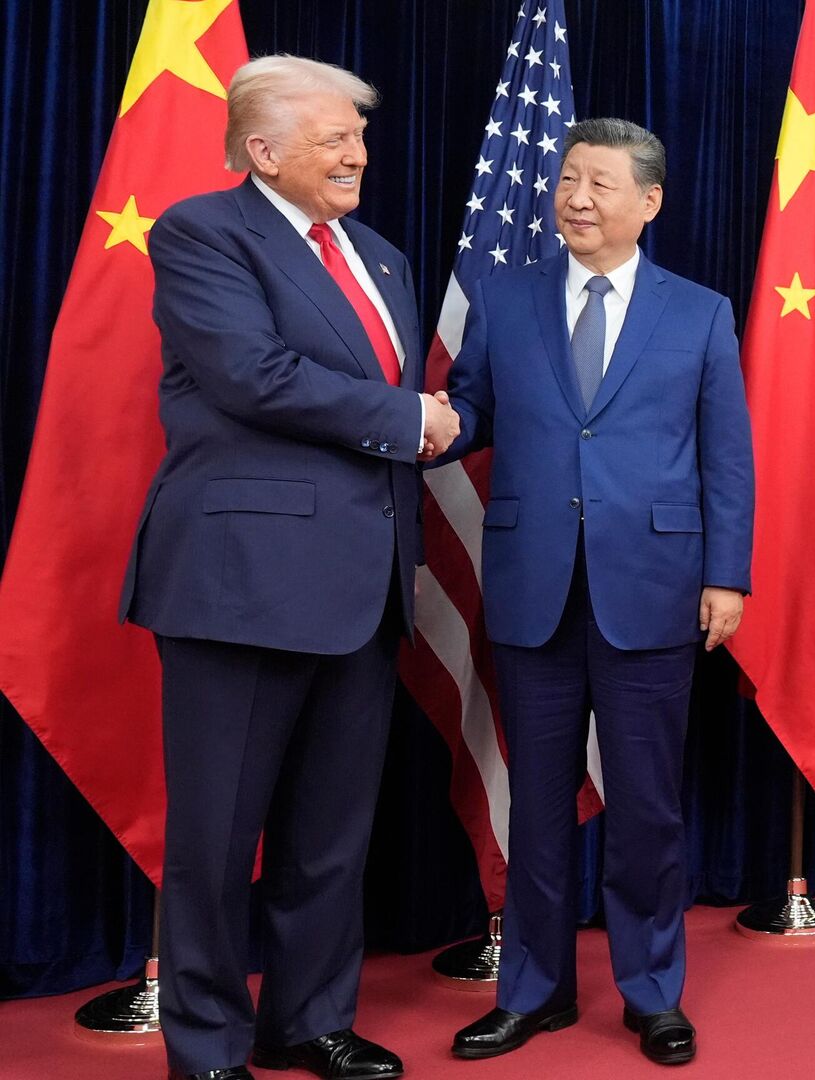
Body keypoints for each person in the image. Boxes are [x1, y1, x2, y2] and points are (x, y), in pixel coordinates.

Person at [123, 56, 455, 1080]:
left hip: (364, 589)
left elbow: (405, 397)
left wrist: (449, 421)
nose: (358, 152)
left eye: (359, 135)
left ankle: (308, 1020)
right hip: (243, 583)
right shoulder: (201, 234)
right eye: (335, 137)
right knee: (217, 842)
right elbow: (252, 374)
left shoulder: (386, 260)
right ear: (264, 150)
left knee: (329, 836)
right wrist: (410, 420)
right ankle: (208, 1045)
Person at [443, 118, 752, 1068]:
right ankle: (533, 994)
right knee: (534, 803)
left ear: (648, 202)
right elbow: (467, 413)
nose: (575, 197)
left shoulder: (699, 313)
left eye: (600, 184)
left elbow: (725, 458)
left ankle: (652, 992)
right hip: (533, 586)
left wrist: (725, 576)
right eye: (568, 179)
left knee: (648, 806)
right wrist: (393, 423)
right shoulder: (502, 295)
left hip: (654, 589)